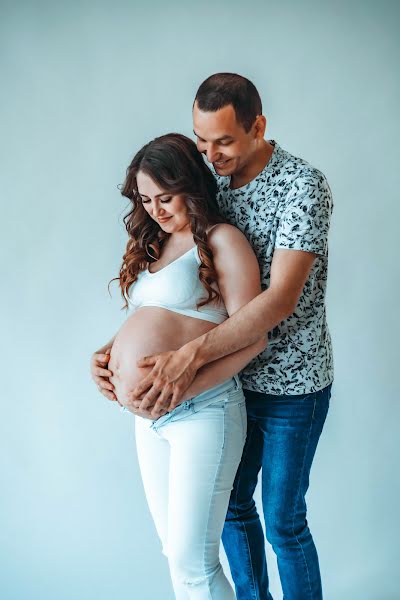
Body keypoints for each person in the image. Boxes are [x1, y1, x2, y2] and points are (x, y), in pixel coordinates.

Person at [94, 73, 334, 599]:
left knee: (283, 521)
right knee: (230, 513)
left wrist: (186, 358)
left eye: (223, 141)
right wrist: (119, 353)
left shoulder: (302, 187)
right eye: (202, 141)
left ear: (258, 126)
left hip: (292, 377)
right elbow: (181, 297)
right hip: (227, 381)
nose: (211, 154)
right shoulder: (208, 183)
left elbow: (278, 302)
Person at [91, 132, 267, 599]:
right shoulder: (155, 244)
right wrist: (110, 359)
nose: (155, 210)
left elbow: (253, 336)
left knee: (194, 564)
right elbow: (160, 319)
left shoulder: (222, 240)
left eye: (165, 198)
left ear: (192, 185)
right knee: (175, 553)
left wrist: (184, 388)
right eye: (145, 200)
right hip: (151, 421)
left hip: (202, 410)